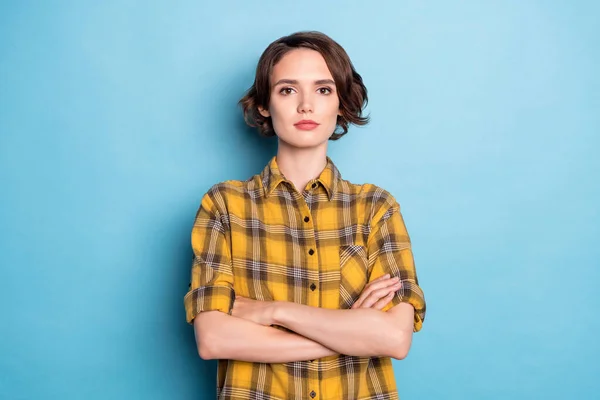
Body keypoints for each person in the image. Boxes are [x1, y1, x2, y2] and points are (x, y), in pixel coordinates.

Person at [183, 31, 426, 400]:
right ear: (264, 104)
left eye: (323, 90)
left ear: (341, 102)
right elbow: (214, 339)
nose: (306, 105)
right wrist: (352, 333)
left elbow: (394, 338)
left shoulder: (376, 208)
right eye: (287, 90)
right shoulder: (224, 205)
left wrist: (273, 312)